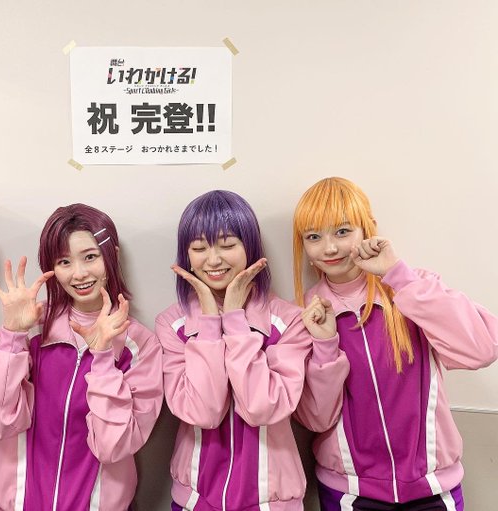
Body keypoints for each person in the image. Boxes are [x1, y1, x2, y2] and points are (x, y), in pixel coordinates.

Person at [292, 177, 498, 511]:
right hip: (350, 494)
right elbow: (317, 418)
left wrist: (397, 275)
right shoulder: (306, 315)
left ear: (367, 228)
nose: (329, 248)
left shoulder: (414, 287)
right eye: (313, 237)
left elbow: (482, 349)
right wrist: (326, 344)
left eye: (342, 232)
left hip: (434, 489)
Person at [0, 203, 163, 511]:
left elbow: (113, 446)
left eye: (90, 257)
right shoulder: (33, 329)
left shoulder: (139, 346)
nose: (79, 273)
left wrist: (102, 358)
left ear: (112, 255)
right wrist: (12, 336)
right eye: (64, 261)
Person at [155, 190, 314, 511]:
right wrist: (209, 323)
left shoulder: (288, 320)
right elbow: (204, 413)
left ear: (250, 247)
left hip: (272, 501)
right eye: (199, 248)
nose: (213, 260)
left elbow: (261, 408)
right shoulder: (172, 324)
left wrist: (236, 322)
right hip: (195, 500)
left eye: (227, 245)